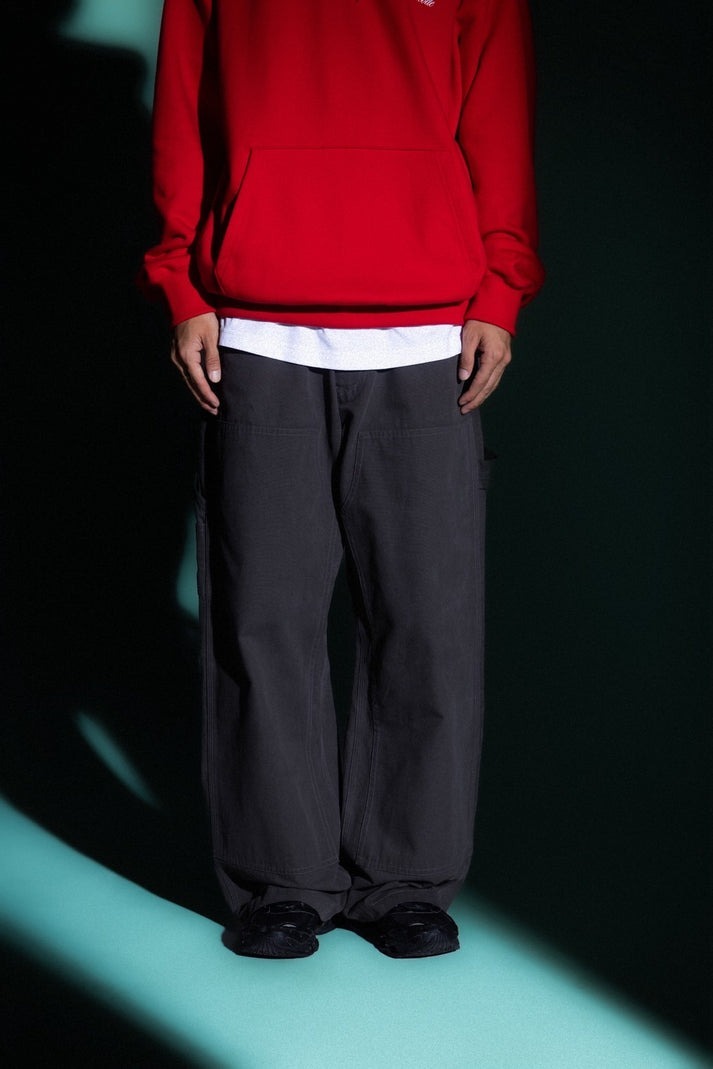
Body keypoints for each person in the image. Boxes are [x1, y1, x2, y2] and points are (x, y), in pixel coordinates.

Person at [141, 0, 544, 960]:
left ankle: (404, 879)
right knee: (262, 621)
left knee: (427, 621)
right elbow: (183, 111)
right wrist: (180, 283)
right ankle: (280, 882)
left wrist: (500, 287)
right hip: (256, 328)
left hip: (426, 332)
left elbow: (500, 118)